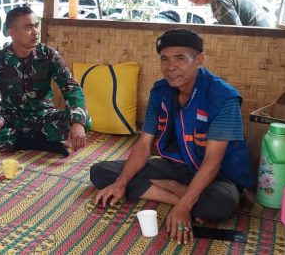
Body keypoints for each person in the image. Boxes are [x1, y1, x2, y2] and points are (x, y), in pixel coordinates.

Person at [90, 29, 256, 245]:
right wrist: (121, 183)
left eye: (180, 58)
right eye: (164, 59)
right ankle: (178, 193)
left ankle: (181, 196)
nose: (170, 67)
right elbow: (144, 143)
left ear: (199, 60)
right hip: (178, 166)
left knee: (220, 205)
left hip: (219, 175)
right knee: (101, 173)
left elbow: (213, 160)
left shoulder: (223, 97)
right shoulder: (160, 91)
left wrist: (183, 207)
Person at [0, 6, 89, 155]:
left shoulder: (48, 55)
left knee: (85, 121)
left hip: (44, 117)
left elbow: (71, 87)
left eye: (36, 26)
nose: (35, 32)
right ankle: (39, 143)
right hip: (11, 120)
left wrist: (77, 122)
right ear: (11, 32)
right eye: (29, 28)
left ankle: (20, 142)